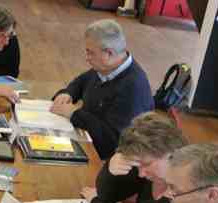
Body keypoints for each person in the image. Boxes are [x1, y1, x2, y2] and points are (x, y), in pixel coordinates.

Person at [81, 113, 193, 203]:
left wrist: (96, 201)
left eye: (146, 164)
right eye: (138, 164)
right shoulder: (148, 168)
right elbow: (108, 195)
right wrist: (111, 170)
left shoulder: (189, 188)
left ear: (172, 153)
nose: (141, 174)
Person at [51, 19, 153, 160]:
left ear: (109, 53)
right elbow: (81, 81)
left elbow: (113, 140)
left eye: (90, 53)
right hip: (86, 138)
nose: (87, 58)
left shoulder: (133, 88)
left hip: (106, 159)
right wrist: (68, 93)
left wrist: (75, 114)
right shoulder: (107, 67)